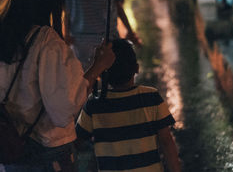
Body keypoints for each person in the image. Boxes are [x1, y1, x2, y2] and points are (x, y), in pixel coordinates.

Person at [0, 0, 115, 172]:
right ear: (50, 3)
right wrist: (98, 67)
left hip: (2, 154)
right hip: (45, 156)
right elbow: (62, 111)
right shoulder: (47, 43)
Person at [76, 39, 181, 172]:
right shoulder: (151, 97)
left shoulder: (94, 103)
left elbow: (77, 142)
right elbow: (167, 142)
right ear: (136, 69)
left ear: (103, 74)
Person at [60, 0, 141, 70]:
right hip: (108, 41)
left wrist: (66, 34)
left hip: (80, 42)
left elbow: (66, 8)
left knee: (85, 81)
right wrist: (130, 32)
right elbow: (119, 6)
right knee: (110, 79)